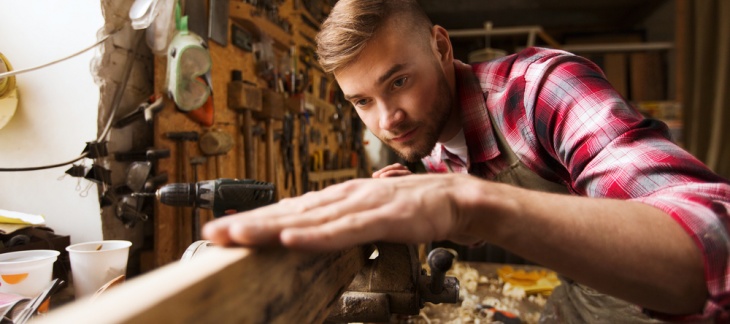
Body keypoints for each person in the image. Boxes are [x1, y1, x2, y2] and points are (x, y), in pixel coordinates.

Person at [203, 0, 730, 321]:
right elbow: (464, 210)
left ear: (439, 45)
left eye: (399, 81)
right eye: (363, 101)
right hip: (587, 302)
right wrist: (406, 197)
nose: (387, 119)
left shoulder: (539, 89)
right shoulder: (434, 148)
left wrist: (466, 203)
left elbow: (714, 238)